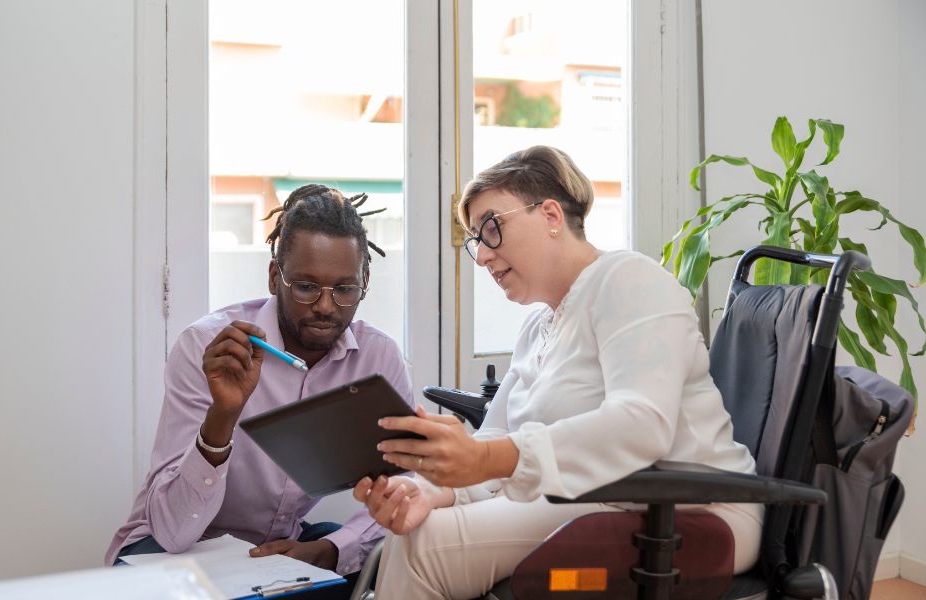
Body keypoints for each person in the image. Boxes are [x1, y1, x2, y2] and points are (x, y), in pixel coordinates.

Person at [354, 145, 764, 599]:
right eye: (476, 240)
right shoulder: (538, 327)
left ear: (550, 214)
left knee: (425, 548)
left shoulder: (630, 281)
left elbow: (642, 426)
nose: (483, 257)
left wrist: (485, 462)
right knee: (416, 526)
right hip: (597, 498)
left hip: (689, 510)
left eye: (491, 228)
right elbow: (497, 435)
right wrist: (435, 490)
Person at [106, 185, 413, 595]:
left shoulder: (377, 357)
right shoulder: (210, 348)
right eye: (306, 286)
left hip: (276, 548)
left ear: (365, 281)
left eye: (344, 289)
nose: (326, 306)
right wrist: (223, 416)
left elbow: (407, 482)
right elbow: (173, 531)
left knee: (381, 557)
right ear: (275, 278)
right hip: (167, 546)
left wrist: (328, 549)